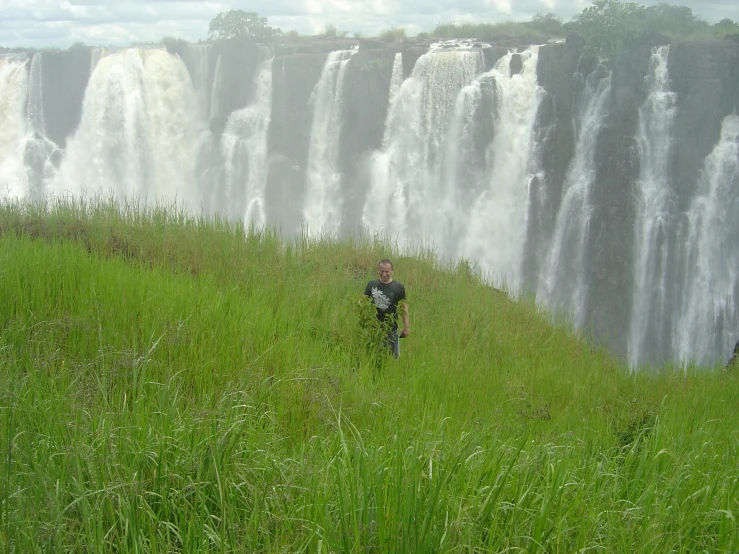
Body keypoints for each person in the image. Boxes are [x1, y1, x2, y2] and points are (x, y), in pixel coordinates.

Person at [363, 258, 410, 359]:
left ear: (392, 271)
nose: (384, 274)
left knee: (393, 359)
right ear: (378, 270)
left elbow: (403, 308)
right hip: (374, 329)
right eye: (382, 271)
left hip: (391, 330)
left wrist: (406, 327)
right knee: (373, 357)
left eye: (387, 272)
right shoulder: (372, 285)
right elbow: (362, 301)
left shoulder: (398, 287)